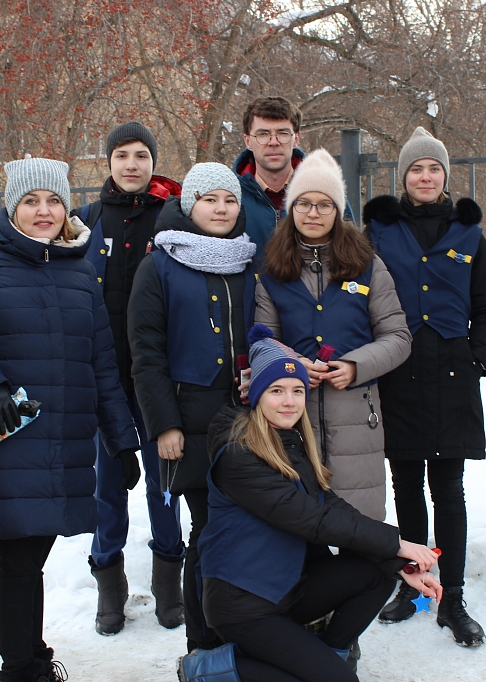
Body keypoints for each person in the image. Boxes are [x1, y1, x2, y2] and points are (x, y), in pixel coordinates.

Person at [0, 157, 140, 682]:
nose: (44, 211)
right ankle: (22, 668)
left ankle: (32, 659)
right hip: (6, 441)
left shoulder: (79, 271)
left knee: (31, 562)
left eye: (53, 201)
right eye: (31, 201)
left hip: (65, 443)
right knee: (19, 561)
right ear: (12, 208)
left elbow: (101, 364)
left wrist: (122, 441)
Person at [178, 325, 442, 682]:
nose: (289, 401)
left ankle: (327, 658)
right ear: (256, 394)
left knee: (376, 575)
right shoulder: (238, 454)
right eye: (277, 390)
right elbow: (310, 518)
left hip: (287, 588)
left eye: (297, 390)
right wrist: (397, 543)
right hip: (244, 604)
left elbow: (327, 503)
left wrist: (397, 561)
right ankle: (204, 671)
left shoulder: (290, 440)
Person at [361, 127, 486, 647]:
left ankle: (452, 596)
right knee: (406, 485)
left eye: (433, 168)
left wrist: (476, 357)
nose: (424, 176)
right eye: (415, 169)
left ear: (445, 175)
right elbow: (359, 296)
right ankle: (412, 586)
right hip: (398, 371)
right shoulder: (378, 231)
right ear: (403, 176)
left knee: (449, 489)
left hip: (452, 373)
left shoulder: (470, 235)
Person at [128, 162, 258, 652]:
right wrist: (164, 425)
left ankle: (243, 634)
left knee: (248, 529)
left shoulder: (249, 262)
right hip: (190, 421)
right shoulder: (160, 264)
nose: (221, 209)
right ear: (189, 205)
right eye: (209, 199)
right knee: (208, 531)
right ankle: (202, 644)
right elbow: (146, 352)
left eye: (229, 200)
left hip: (249, 420)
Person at [71, 121, 186, 636]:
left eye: (141, 154)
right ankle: (108, 583)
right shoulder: (87, 220)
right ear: (109, 162)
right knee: (108, 484)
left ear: (152, 161)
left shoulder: (173, 217)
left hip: (158, 376)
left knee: (165, 483)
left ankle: (169, 582)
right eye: (122, 155)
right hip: (105, 379)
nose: (132, 164)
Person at [256, 149, 412, 521]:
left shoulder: (368, 266)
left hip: (357, 414)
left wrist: (356, 366)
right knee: (302, 521)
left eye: (324, 204)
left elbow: (398, 336)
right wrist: (293, 364)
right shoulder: (272, 271)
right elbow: (263, 340)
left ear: (338, 211)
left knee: (359, 522)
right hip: (294, 413)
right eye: (304, 203)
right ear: (291, 208)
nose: (313, 213)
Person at [232, 96, 306, 256]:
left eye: (283, 133)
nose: (273, 142)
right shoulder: (228, 197)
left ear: (296, 139)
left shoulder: (324, 192)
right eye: (263, 134)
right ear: (247, 141)